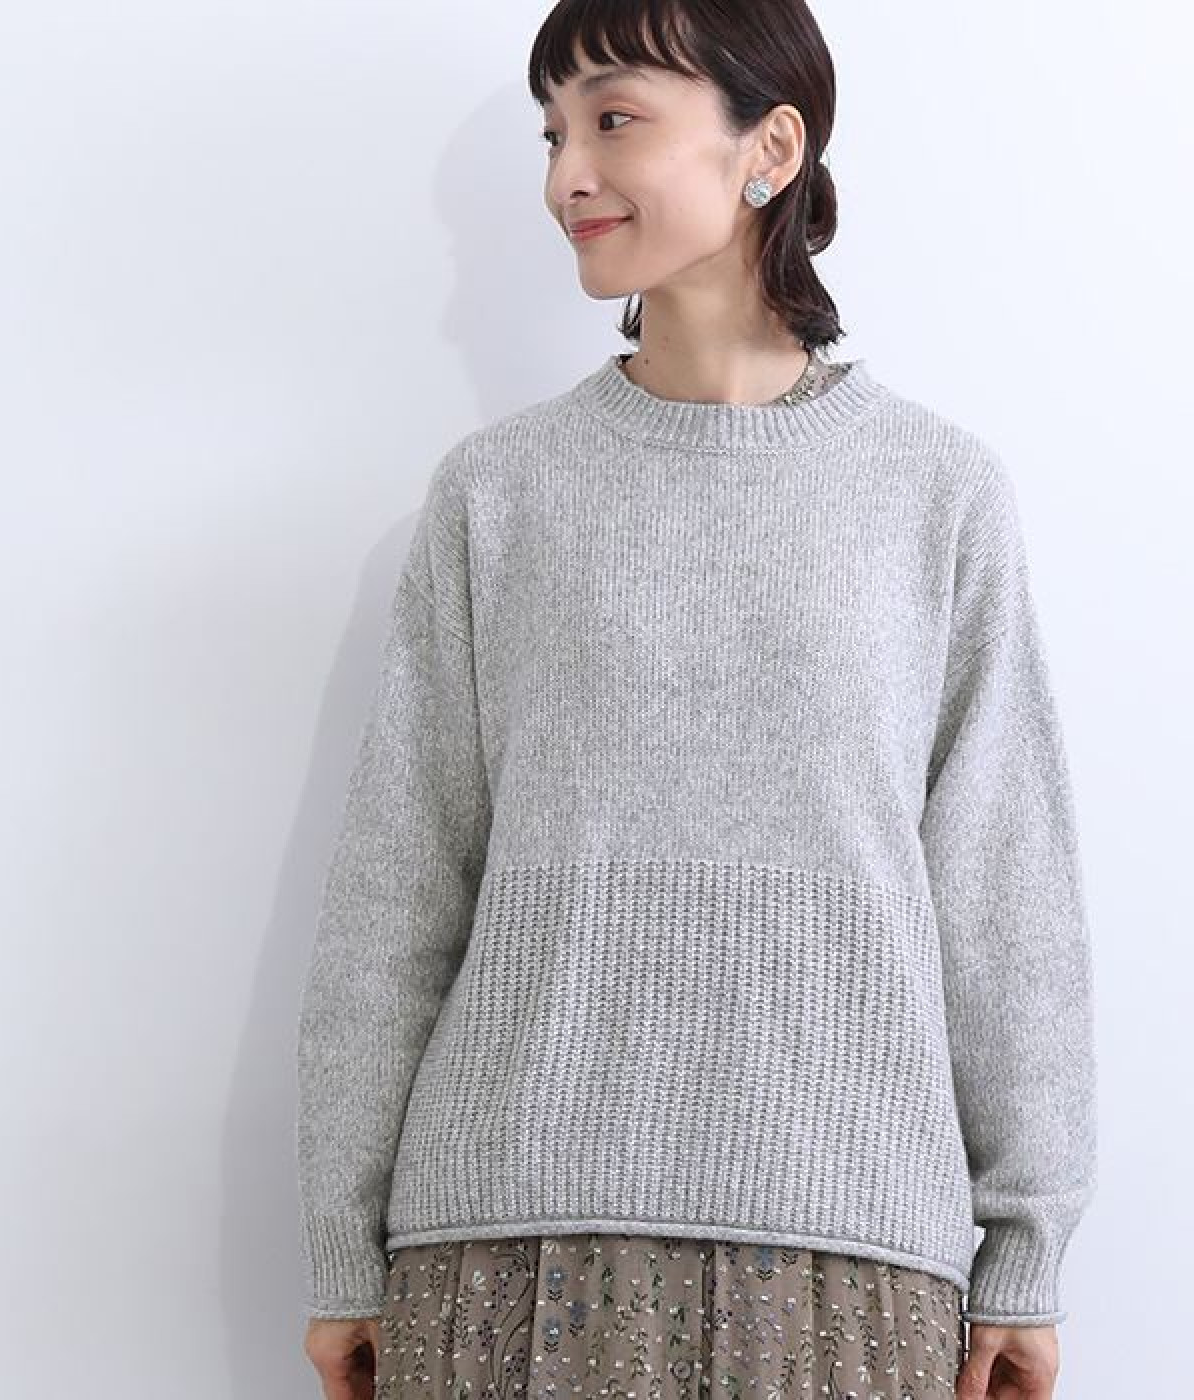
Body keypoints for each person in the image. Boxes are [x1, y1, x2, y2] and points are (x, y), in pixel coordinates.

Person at [297, 2, 1098, 1397]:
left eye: (615, 118)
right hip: (508, 1248)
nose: (567, 175)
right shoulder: (499, 495)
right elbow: (398, 887)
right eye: (553, 134)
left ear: (769, 149)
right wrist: (341, 1252)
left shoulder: (936, 493)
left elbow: (1004, 890)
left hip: (852, 1261)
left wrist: (1025, 1248)